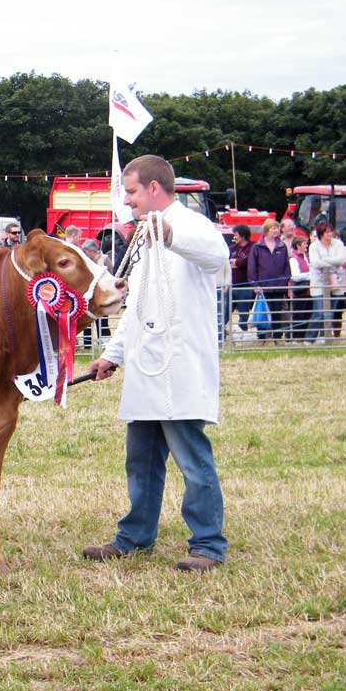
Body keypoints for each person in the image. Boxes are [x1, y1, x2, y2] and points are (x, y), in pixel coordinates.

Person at [82, 154, 229, 572]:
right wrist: (112, 354)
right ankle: (133, 537)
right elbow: (139, 305)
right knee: (141, 460)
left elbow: (215, 257)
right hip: (148, 370)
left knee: (191, 458)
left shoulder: (191, 226)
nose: (126, 202)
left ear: (153, 188)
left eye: (130, 192)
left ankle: (208, 543)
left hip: (179, 368)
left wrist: (170, 235)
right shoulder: (144, 241)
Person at [247, 219, 290, 340]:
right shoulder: (257, 247)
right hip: (262, 287)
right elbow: (252, 267)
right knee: (262, 312)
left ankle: (277, 337)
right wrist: (255, 284)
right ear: (266, 230)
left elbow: (287, 267)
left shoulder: (282, 246)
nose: (275, 230)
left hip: (278, 287)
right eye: (273, 228)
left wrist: (283, 282)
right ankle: (262, 338)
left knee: (277, 313)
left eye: (277, 228)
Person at [307, 222, 346, 344]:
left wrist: (324, 260)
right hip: (319, 283)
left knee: (330, 312)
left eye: (331, 231)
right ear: (321, 234)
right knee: (319, 312)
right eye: (326, 232)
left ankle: (325, 337)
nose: (329, 234)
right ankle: (310, 339)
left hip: (336, 283)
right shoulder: (314, 246)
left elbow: (342, 260)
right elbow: (315, 263)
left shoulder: (338, 244)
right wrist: (333, 262)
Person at [227, 225, 254, 338]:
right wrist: (236, 262)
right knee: (225, 311)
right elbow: (226, 261)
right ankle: (220, 333)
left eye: (236, 235)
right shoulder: (232, 248)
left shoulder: (253, 247)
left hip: (245, 286)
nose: (234, 237)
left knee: (244, 313)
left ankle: (242, 336)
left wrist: (236, 262)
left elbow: (248, 261)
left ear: (243, 235)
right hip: (231, 285)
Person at [287, 236, 312, 339]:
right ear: (298, 246)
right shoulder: (293, 259)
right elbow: (295, 276)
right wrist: (310, 275)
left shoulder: (305, 256)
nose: (306, 245)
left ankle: (303, 336)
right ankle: (295, 337)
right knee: (299, 315)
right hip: (299, 291)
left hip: (307, 291)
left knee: (307, 314)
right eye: (304, 243)